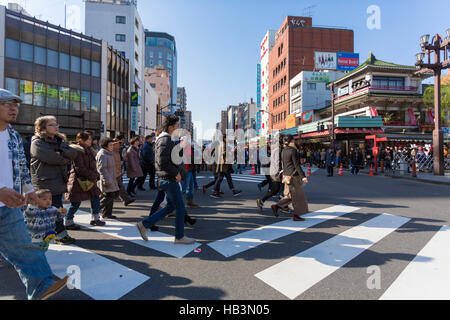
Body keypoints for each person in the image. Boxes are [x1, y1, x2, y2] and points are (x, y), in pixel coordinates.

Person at [0, 88, 69, 300]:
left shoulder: (12, 133)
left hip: (7, 207)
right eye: (6, 104)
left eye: (16, 104)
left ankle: (41, 286)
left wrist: (28, 190)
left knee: (25, 247)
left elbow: (21, 164)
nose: (13, 109)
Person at [136, 115, 196, 244]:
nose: (178, 128)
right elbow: (162, 162)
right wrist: (176, 173)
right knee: (179, 207)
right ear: (170, 127)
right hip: (169, 178)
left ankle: (144, 224)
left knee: (171, 207)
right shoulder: (165, 140)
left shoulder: (166, 139)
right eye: (176, 126)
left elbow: (173, 159)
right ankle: (179, 236)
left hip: (167, 178)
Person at [30, 115, 77, 245]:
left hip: (58, 180)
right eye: (52, 124)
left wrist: (60, 152)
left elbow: (74, 153)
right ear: (42, 128)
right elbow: (52, 158)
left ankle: (57, 235)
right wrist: (63, 157)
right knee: (50, 210)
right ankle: (57, 235)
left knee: (56, 209)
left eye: (56, 124)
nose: (56, 126)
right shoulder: (37, 142)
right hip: (45, 183)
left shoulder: (59, 141)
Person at [65, 131, 105, 228]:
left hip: (89, 178)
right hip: (78, 180)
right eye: (89, 139)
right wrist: (93, 175)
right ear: (81, 140)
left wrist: (95, 175)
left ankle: (95, 218)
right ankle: (68, 221)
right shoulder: (78, 151)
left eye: (91, 139)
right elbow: (80, 168)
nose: (91, 141)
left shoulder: (89, 150)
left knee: (95, 197)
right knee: (76, 202)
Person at [271, 135, 309, 221]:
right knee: (298, 196)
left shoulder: (284, 150)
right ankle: (296, 215)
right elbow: (296, 165)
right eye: (294, 140)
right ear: (292, 141)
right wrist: (303, 176)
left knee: (288, 195)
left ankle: (277, 206)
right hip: (293, 176)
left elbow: (284, 164)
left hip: (286, 176)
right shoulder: (293, 151)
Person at [96, 138, 120, 220]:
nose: (112, 146)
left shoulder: (109, 153)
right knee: (106, 197)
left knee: (111, 196)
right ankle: (95, 212)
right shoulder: (102, 154)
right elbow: (102, 169)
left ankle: (107, 214)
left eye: (112, 145)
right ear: (105, 146)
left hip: (112, 178)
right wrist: (107, 180)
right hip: (106, 179)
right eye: (110, 145)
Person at [112, 138, 135, 206]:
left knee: (119, 187)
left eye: (119, 143)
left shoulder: (117, 151)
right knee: (119, 186)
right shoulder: (112, 152)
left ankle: (126, 199)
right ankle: (126, 199)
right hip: (114, 173)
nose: (119, 145)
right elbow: (112, 163)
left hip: (117, 172)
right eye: (117, 144)